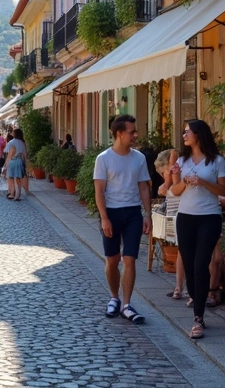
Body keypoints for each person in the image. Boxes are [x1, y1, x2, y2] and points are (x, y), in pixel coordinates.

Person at [169, 119, 225, 339]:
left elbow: (223, 190)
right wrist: (182, 180)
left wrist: (202, 182)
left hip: (209, 217)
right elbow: (175, 191)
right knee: (189, 263)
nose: (184, 135)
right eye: (184, 131)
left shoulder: (217, 161)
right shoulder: (182, 161)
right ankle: (196, 296)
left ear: (199, 134)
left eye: (188, 131)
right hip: (185, 217)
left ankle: (198, 318)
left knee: (201, 263)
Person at [93, 114, 151, 323]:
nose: (136, 135)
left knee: (130, 259)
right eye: (132, 132)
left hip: (133, 213)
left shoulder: (139, 158)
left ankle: (127, 304)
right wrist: (104, 218)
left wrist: (147, 214)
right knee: (112, 260)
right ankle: (114, 298)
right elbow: (99, 191)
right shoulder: (104, 158)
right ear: (119, 133)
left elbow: (143, 187)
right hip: (112, 212)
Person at [155, 149, 186, 301]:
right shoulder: (170, 181)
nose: (163, 175)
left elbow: (173, 152)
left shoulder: (175, 174)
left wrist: (172, 161)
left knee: (184, 252)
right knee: (183, 252)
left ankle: (180, 287)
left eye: (163, 172)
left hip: (183, 213)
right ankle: (179, 287)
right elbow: (163, 189)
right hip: (177, 216)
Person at [2, 128, 28, 201]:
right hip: (19, 161)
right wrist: (25, 163)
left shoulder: (11, 142)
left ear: (15, 134)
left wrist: (5, 165)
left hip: (12, 161)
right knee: (18, 178)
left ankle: (12, 193)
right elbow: (24, 155)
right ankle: (18, 194)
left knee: (11, 178)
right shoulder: (22, 143)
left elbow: (9, 155)